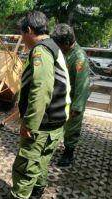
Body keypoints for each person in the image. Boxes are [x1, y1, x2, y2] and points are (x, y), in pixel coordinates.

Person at [5, 11, 71, 199]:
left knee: (25, 166)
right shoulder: (54, 47)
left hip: (42, 124)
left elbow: (41, 89)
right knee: (40, 162)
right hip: (55, 122)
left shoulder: (41, 50)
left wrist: (29, 123)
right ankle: (35, 198)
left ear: (29, 30)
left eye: (22, 34)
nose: (22, 39)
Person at [51, 24, 91, 167]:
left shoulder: (79, 57)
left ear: (67, 43)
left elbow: (83, 85)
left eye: (59, 44)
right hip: (62, 94)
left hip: (75, 96)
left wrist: (77, 106)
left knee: (72, 126)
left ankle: (69, 152)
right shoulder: (62, 51)